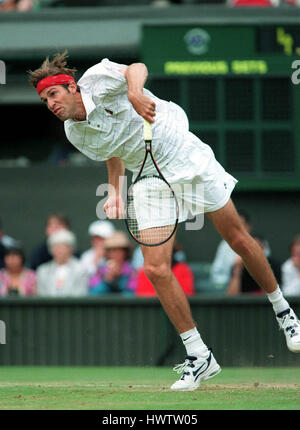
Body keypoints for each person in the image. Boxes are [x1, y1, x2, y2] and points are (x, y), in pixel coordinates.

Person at [29, 51, 300, 392]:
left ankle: (285, 315)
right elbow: (113, 151)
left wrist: (135, 92)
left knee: (239, 240)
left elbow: (136, 68)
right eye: (44, 100)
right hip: (149, 179)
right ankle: (200, 355)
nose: (50, 103)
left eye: (53, 94)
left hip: (181, 153)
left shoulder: (98, 78)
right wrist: (114, 190)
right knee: (155, 269)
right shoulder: (74, 133)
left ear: (71, 86)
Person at [36, 229, 88, 297]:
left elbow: (81, 293)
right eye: (56, 247)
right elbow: (41, 293)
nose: (59, 250)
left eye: (63, 247)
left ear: (71, 249)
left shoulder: (81, 269)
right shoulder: (43, 270)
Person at [210, 210, 252, 289]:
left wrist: (245, 260)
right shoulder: (224, 245)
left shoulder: (258, 242)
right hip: (230, 286)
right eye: (234, 225)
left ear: (248, 227)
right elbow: (215, 272)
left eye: (241, 225)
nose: (237, 229)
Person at [89, 231, 137, 296]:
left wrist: (120, 279)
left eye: (120, 250)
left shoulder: (132, 271)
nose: (116, 254)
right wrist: (107, 280)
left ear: (125, 252)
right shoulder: (100, 271)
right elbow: (93, 294)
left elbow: (131, 295)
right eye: (113, 250)